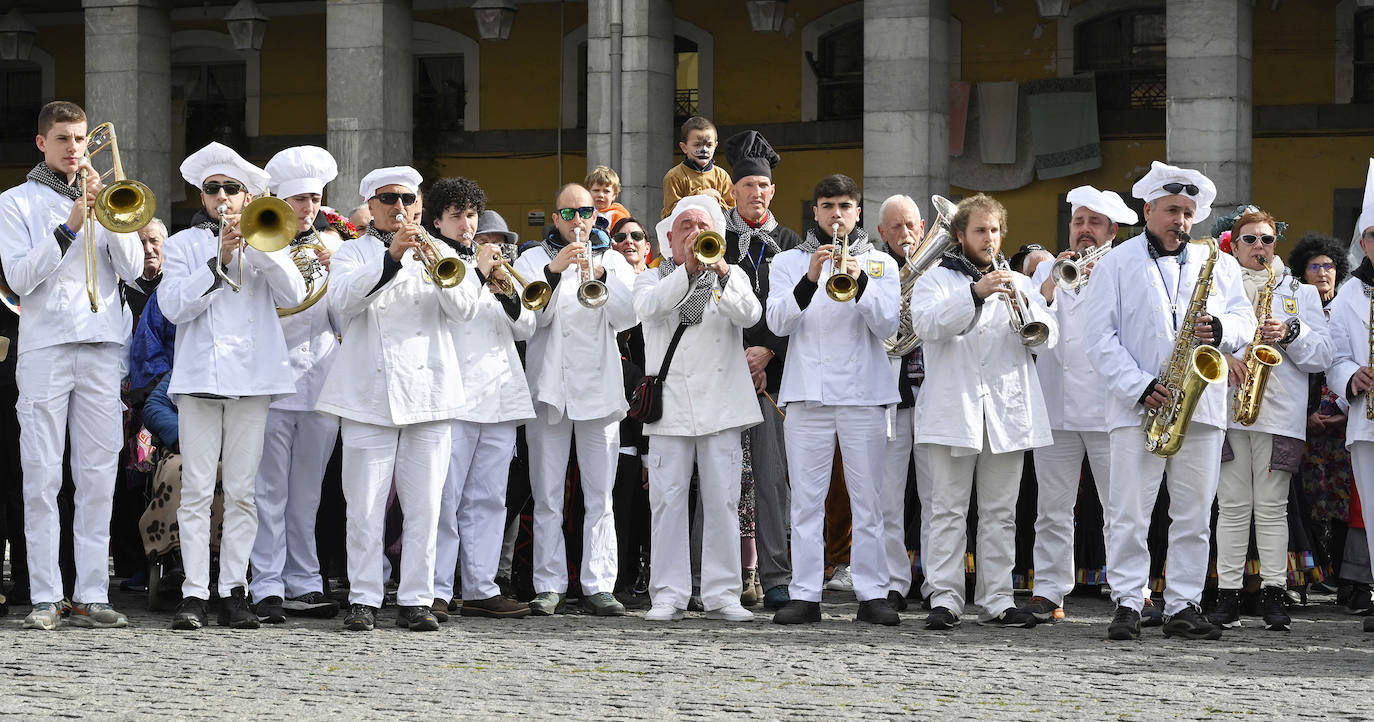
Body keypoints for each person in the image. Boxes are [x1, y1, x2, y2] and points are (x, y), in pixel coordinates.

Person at [1083, 161, 1255, 641]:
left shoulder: (1216, 263)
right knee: (1129, 511)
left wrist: (1224, 331)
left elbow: (1244, 319)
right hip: (1138, 404)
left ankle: (1184, 603)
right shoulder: (1116, 261)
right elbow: (1097, 337)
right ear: (1148, 209)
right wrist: (1138, 385)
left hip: (1200, 405)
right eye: (1172, 210)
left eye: (1188, 212)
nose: (1180, 220)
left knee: (1195, 513)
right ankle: (1127, 601)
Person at [315, 166, 487, 632]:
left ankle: (416, 597)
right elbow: (343, 304)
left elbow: (467, 310)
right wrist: (390, 259)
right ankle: (364, 597)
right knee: (365, 504)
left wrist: (436, 264)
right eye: (388, 199)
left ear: (418, 205)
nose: (399, 207)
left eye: (407, 199)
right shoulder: (351, 252)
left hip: (429, 392)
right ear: (371, 206)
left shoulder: (443, 251)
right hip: (368, 394)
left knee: (426, 505)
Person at [0, 101, 144, 630]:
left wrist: (110, 215)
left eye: (81, 138)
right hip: (46, 348)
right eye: (63, 138)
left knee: (98, 475)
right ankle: (44, 594)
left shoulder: (105, 197)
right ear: (42, 142)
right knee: (41, 476)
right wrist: (69, 226)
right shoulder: (14, 202)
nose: (74, 147)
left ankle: (90, 592)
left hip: (104, 345)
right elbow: (17, 278)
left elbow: (130, 271)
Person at [158, 142, 305, 631]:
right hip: (201, 378)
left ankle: (234, 589)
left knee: (243, 492)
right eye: (212, 188)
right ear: (201, 196)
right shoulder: (181, 245)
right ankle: (195, 591)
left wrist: (257, 252)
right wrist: (217, 262)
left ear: (247, 196)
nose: (221, 196)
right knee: (197, 491)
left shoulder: (270, 238)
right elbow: (172, 308)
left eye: (231, 188)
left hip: (253, 380)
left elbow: (295, 293)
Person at [911, 193, 1057, 630]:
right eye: (980, 230)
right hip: (953, 409)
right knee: (947, 510)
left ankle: (997, 598)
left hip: (1006, 411)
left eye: (994, 231)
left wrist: (1026, 308)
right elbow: (928, 326)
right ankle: (945, 597)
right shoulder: (935, 279)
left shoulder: (1021, 283)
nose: (989, 238)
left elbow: (1048, 335)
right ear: (960, 235)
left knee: (1000, 511)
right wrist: (975, 294)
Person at [765, 173, 901, 626]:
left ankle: (872, 592)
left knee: (868, 499)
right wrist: (810, 277)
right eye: (828, 206)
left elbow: (887, 327)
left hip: (863, 394)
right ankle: (805, 593)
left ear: (857, 211)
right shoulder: (786, 262)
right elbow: (778, 323)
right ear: (816, 211)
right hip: (808, 394)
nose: (837, 215)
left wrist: (859, 281)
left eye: (845, 206)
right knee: (806, 500)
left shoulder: (881, 263)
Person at [634, 194, 763, 622]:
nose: (694, 234)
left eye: (702, 226)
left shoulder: (733, 275)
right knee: (668, 501)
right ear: (669, 238)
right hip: (670, 407)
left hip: (722, 406)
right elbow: (649, 311)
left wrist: (720, 271)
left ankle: (723, 594)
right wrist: (687, 272)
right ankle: (667, 593)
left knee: (723, 500)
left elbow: (749, 314)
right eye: (684, 226)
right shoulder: (652, 279)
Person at [513, 183, 638, 616]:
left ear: (595, 216)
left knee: (598, 495)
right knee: (547, 495)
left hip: (599, 390)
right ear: (555, 218)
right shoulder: (531, 258)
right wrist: (553, 271)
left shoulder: (613, 259)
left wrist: (599, 275)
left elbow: (628, 316)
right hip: (549, 388)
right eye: (568, 214)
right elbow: (528, 322)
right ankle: (548, 585)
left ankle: (599, 584)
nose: (577, 220)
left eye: (584, 212)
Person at [1210, 207, 1331, 632]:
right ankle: (1227, 596)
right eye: (1250, 239)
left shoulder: (1300, 291)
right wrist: (1226, 358)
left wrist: (1292, 333)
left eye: (1267, 239)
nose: (1260, 247)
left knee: (1272, 508)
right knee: (1232, 507)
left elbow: (1324, 355)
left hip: (1278, 413)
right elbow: (1194, 338)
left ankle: (1274, 595)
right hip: (1226, 410)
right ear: (1233, 243)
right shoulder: (1217, 285)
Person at [1025, 186, 1137, 623]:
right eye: (1078, 222)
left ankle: (1132, 591)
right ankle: (1050, 591)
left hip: (1111, 406)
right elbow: (1031, 324)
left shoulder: (1127, 270)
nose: (1084, 231)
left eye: (1094, 223)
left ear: (1111, 231)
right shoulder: (1047, 271)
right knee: (1051, 508)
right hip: (1055, 403)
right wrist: (1051, 281)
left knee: (1121, 508)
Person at [428, 189, 534, 622]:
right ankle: (433, 587)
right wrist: (478, 273)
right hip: (454, 392)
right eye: (457, 216)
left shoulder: (490, 265)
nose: (467, 225)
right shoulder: (437, 259)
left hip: (498, 394)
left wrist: (506, 290)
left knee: (489, 499)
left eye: (471, 216)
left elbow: (527, 325)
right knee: (443, 498)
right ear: (438, 221)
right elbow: (456, 311)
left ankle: (480, 586)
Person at [248, 145, 344, 623]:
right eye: (301, 199)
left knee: (309, 492)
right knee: (269, 491)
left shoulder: (336, 247)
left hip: (323, 382)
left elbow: (345, 321)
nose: (310, 207)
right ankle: (265, 583)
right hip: (274, 381)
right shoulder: (262, 241)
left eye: (316, 198)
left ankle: (304, 581)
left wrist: (341, 275)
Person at [719, 129, 802, 610]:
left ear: (773, 191)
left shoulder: (790, 242)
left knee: (772, 480)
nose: (755, 193)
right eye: (747, 184)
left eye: (763, 186)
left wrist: (767, 353)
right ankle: (712, 578)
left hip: (772, 375)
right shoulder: (715, 236)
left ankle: (776, 577)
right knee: (718, 480)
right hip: (720, 370)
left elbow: (797, 305)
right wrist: (737, 358)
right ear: (734, 189)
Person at [1288, 234, 1363, 611]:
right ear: (1302, 272)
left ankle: (1344, 575)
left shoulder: (1349, 307)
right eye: (1314, 266)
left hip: (1345, 422)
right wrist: (1308, 415)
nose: (1323, 273)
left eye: (1329, 266)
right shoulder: (1295, 308)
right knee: (1309, 500)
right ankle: (1311, 573)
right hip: (1305, 422)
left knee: (1345, 499)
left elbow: (1345, 360)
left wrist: (1340, 410)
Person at [871, 193, 930, 611]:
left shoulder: (943, 269)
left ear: (924, 227)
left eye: (910, 225)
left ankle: (936, 581)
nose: (905, 234)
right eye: (896, 227)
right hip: (890, 395)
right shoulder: (873, 269)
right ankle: (894, 581)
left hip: (933, 392)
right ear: (881, 233)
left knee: (937, 497)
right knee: (888, 497)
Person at [1326, 160, 1374, 635]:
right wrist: (1349, 376)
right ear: (1365, 243)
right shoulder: (1348, 296)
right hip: (1368, 417)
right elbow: (1335, 354)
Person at [660, 116, 735, 219]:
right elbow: (670, 214)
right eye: (697, 145)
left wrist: (716, 202)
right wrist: (700, 197)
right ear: (684, 147)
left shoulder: (722, 176)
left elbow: (731, 211)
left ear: (715, 146)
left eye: (709, 145)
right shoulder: (674, 176)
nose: (704, 150)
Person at [124, 218, 166, 321]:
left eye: (154, 241)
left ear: (166, 243)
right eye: (141, 243)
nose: (148, 249)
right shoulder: (124, 286)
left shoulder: (176, 282)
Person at [586, 165, 632, 231]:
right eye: (596, 190)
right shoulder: (582, 212)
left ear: (614, 195)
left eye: (606, 191)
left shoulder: (618, 216)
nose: (601, 195)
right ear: (588, 192)